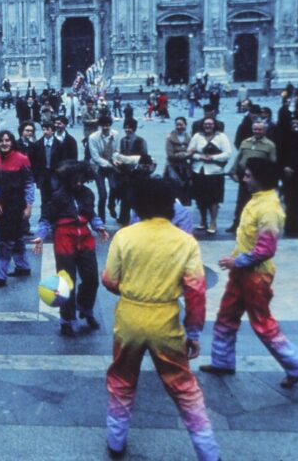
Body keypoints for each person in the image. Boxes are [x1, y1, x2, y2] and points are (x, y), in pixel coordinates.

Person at [102, 177, 219, 460]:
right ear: (171, 205)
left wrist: (132, 289)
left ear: (138, 204)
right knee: (183, 386)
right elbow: (195, 292)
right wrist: (192, 332)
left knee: (122, 378)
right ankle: (208, 450)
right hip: (165, 320)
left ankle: (116, 441)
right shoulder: (185, 242)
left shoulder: (125, 236)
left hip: (129, 318)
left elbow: (109, 280)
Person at [200, 158, 298, 389]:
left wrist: (238, 261)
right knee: (226, 317)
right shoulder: (257, 201)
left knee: (262, 323)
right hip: (241, 273)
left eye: (249, 175)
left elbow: (266, 249)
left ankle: (296, 365)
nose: (244, 178)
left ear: (261, 179)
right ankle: (222, 361)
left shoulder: (270, 209)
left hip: (255, 276)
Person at [32, 161, 108, 336]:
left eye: (81, 178)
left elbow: (91, 214)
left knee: (91, 279)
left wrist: (99, 226)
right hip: (65, 240)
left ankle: (85, 308)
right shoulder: (58, 196)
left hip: (85, 240)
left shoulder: (88, 194)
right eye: (75, 178)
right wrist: (40, 236)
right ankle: (67, 319)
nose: (79, 182)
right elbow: (46, 218)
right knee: (66, 283)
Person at [0, 130, 34, 288]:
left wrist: (29, 206)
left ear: (12, 142)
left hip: (18, 205)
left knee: (6, 240)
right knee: (16, 237)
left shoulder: (23, 160)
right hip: (2, 205)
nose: (4, 143)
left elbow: (29, 184)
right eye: (1, 140)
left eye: (7, 140)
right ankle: (23, 266)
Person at [187, 117, 232, 234]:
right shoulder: (197, 136)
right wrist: (200, 157)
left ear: (215, 125)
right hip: (199, 170)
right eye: (206, 124)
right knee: (200, 198)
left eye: (210, 124)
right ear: (202, 125)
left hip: (215, 172)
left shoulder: (221, 137)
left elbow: (227, 154)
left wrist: (213, 158)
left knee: (213, 199)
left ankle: (213, 222)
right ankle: (203, 221)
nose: (208, 126)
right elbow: (190, 152)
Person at [114, 119, 148, 226]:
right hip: (124, 173)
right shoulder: (123, 140)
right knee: (124, 196)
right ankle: (124, 218)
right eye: (126, 127)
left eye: (130, 128)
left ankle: (139, 217)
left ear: (134, 129)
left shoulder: (141, 141)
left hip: (137, 173)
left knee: (136, 196)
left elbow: (144, 157)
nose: (127, 130)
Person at [89, 115, 119, 221]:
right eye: (103, 126)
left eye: (108, 126)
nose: (105, 128)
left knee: (114, 187)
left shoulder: (115, 134)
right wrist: (108, 164)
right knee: (102, 194)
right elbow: (95, 157)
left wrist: (115, 159)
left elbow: (116, 150)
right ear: (100, 126)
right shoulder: (93, 137)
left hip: (111, 164)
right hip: (98, 167)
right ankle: (101, 218)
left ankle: (111, 206)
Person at [164, 117, 192, 206]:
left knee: (185, 192)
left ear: (185, 125)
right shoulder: (170, 137)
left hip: (185, 169)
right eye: (177, 125)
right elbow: (170, 154)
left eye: (181, 124)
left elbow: (193, 151)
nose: (179, 127)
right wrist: (185, 154)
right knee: (172, 191)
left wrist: (184, 154)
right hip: (172, 167)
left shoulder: (189, 137)